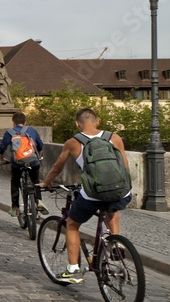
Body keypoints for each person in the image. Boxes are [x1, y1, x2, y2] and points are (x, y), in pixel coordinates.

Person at [37, 107, 131, 284]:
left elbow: (57, 168)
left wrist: (47, 182)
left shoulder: (73, 142)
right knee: (112, 207)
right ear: (98, 121)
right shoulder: (115, 137)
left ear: (77, 124)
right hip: (121, 191)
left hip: (93, 194)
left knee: (72, 225)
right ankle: (115, 242)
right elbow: (124, 166)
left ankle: (73, 270)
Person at [0, 111, 49, 218]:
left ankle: (15, 208)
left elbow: (2, 147)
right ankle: (39, 201)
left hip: (17, 163)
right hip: (33, 161)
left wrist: (2, 158)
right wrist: (39, 154)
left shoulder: (10, 132)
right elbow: (40, 145)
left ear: (13, 122)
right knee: (35, 180)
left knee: (15, 182)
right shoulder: (32, 130)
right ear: (25, 122)